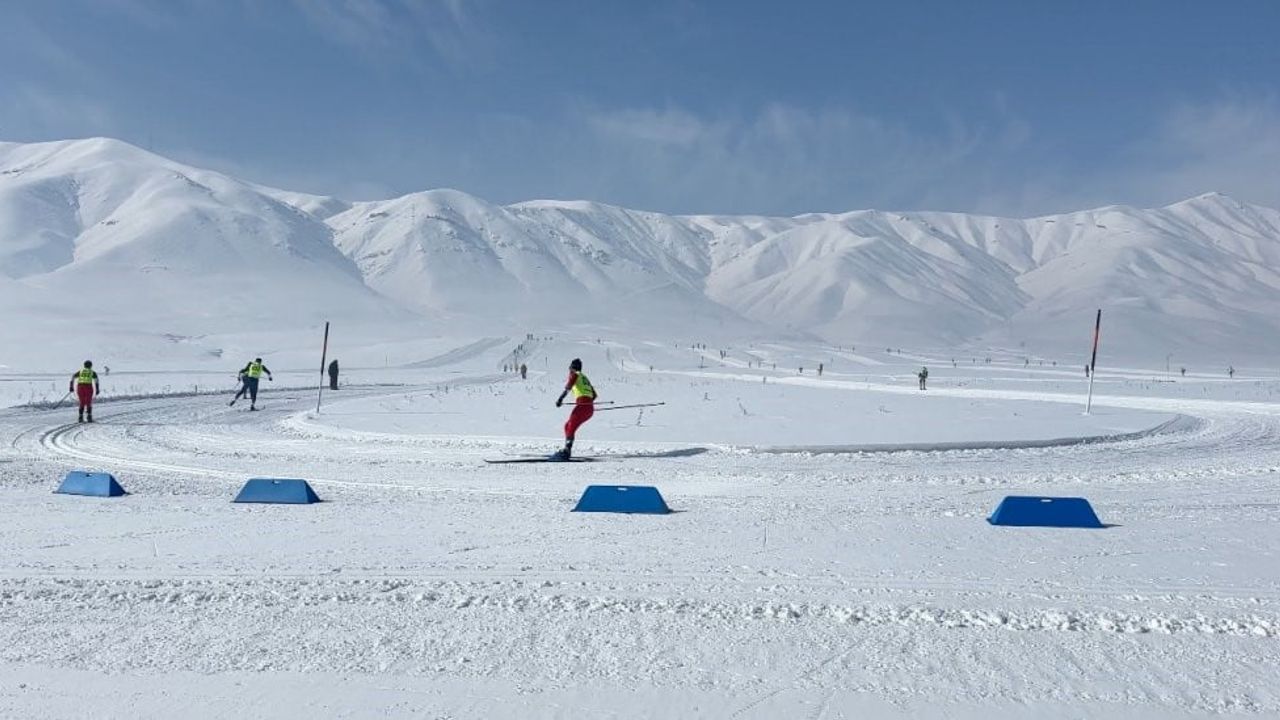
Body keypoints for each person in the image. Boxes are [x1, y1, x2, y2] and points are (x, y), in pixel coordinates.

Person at [553, 358, 597, 460]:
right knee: (567, 426)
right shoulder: (584, 378)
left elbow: (568, 388)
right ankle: (567, 448)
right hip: (588, 408)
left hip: (583, 406)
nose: (569, 371)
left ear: (573, 368)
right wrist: (588, 403)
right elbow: (594, 395)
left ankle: (567, 451)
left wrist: (560, 399)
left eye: (570, 368)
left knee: (570, 425)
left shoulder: (575, 375)